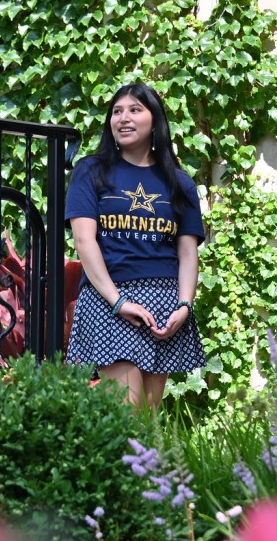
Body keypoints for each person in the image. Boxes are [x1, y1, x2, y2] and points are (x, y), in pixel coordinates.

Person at [65, 82, 207, 408]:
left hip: (163, 304)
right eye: (117, 111)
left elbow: (187, 252)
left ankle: (141, 460)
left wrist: (184, 305)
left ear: (155, 121)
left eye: (134, 110)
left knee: (148, 416)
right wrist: (117, 302)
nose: (123, 118)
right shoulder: (91, 171)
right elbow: (85, 242)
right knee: (129, 409)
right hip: (109, 299)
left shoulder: (179, 182)